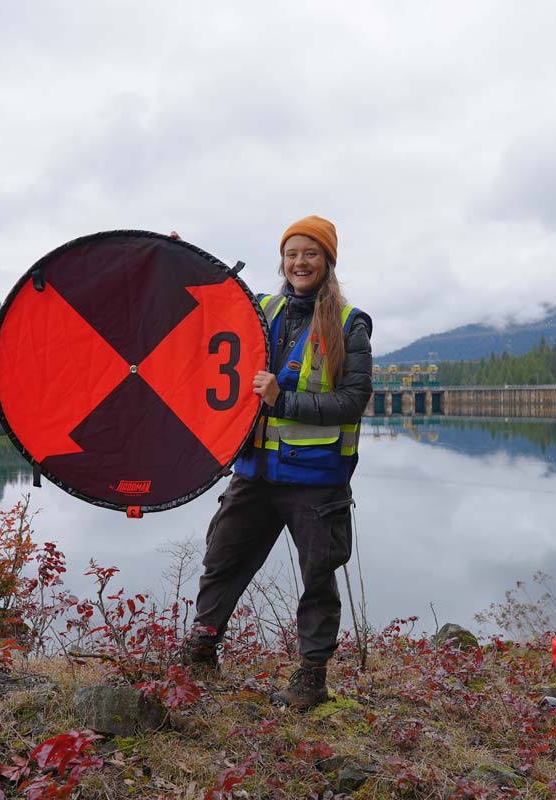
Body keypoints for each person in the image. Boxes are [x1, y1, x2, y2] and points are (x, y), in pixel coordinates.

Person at [178, 214, 373, 710]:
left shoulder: (350, 324)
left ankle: (312, 677)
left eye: (310, 253)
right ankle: (201, 653)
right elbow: (205, 319)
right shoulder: (261, 309)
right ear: (282, 261)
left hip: (316, 481)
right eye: (292, 253)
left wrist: (281, 401)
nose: (299, 262)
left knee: (317, 580)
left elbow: (352, 401)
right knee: (221, 561)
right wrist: (174, 264)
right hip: (255, 472)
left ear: (328, 261)